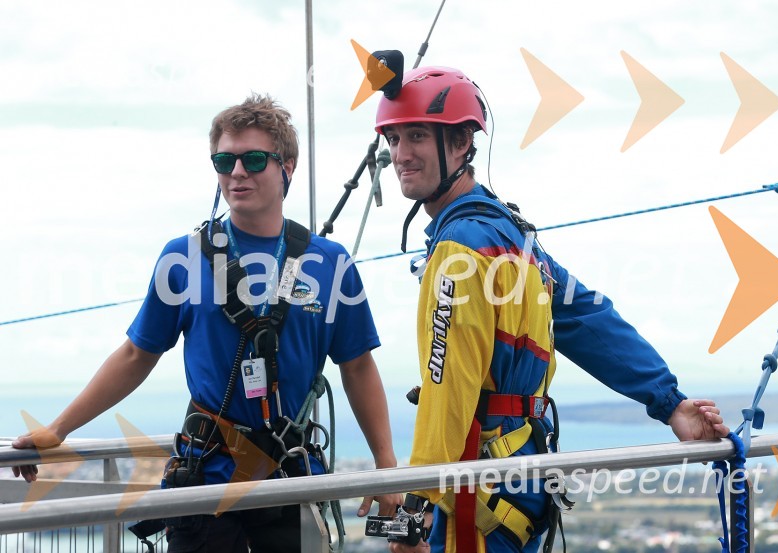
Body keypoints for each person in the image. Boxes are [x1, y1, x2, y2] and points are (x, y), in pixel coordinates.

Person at [12, 93, 399, 552]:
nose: (237, 172)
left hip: (290, 478)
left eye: (254, 159)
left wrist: (386, 466)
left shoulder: (329, 263)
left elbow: (358, 366)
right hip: (208, 479)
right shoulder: (183, 257)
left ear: (287, 167)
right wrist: (59, 429)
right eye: (224, 160)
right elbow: (137, 354)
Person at [374, 66, 729, 553]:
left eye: (416, 136)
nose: (400, 155)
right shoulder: (512, 237)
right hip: (522, 478)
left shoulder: (459, 249)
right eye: (394, 139)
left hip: (477, 489)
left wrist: (416, 508)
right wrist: (670, 403)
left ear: (460, 143)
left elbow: (447, 389)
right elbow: (589, 320)